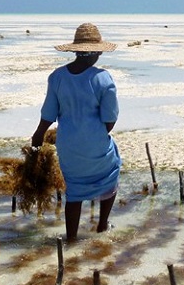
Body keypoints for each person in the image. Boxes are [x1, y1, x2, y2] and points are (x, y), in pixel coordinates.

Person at [31, 23, 121, 241]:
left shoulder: (57, 77)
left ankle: (71, 238)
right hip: (95, 143)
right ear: (98, 51)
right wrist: (95, 135)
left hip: (68, 146)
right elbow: (110, 119)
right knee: (111, 174)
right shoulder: (103, 78)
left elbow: (48, 115)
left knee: (74, 190)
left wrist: (38, 136)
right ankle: (101, 226)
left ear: (75, 50)